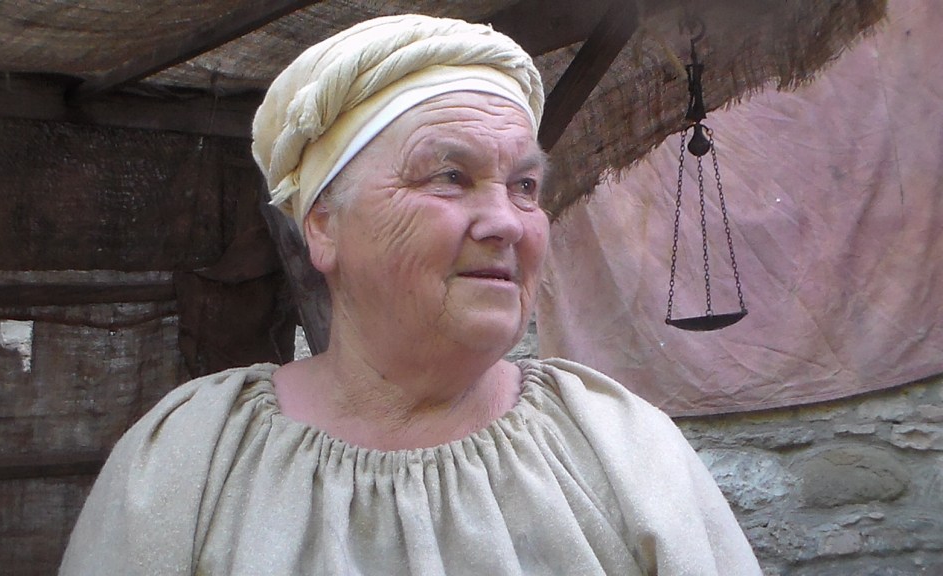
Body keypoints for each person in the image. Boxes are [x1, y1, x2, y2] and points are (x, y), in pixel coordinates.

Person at [60, 14, 761, 575]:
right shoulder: (190, 462)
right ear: (323, 226)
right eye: (449, 177)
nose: (507, 222)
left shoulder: (619, 448)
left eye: (524, 186)